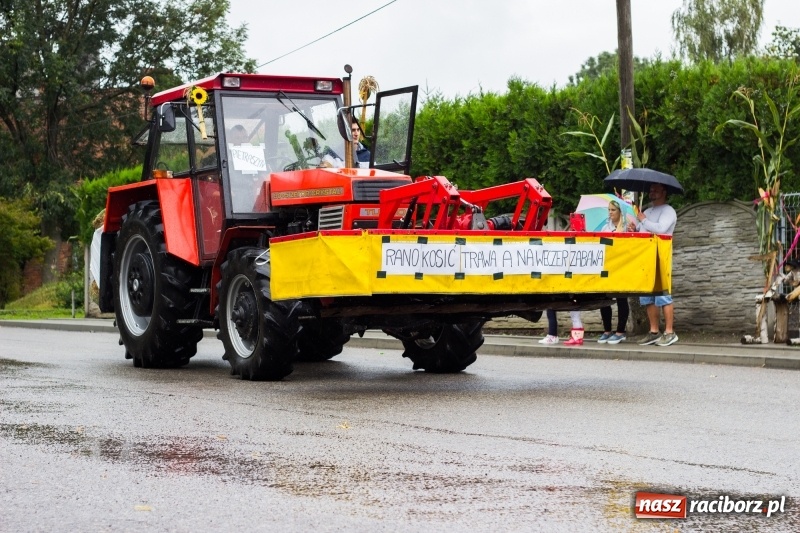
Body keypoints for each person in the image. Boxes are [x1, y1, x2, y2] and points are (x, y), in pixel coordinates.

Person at [627, 183, 678, 346]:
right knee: (648, 297)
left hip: (660, 257)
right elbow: (643, 232)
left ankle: (670, 332)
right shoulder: (647, 211)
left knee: (663, 296)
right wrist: (634, 229)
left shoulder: (668, 211)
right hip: (646, 258)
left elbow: (661, 229)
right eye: (651, 190)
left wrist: (643, 220)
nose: (652, 192)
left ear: (664, 192)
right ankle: (654, 331)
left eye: (656, 189)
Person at [598, 199, 630, 344]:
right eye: (609, 210)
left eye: (613, 210)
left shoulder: (627, 227)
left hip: (622, 266)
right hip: (608, 266)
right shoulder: (605, 227)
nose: (610, 212)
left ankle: (620, 331)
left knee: (621, 299)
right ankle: (607, 330)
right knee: (604, 299)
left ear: (620, 212)